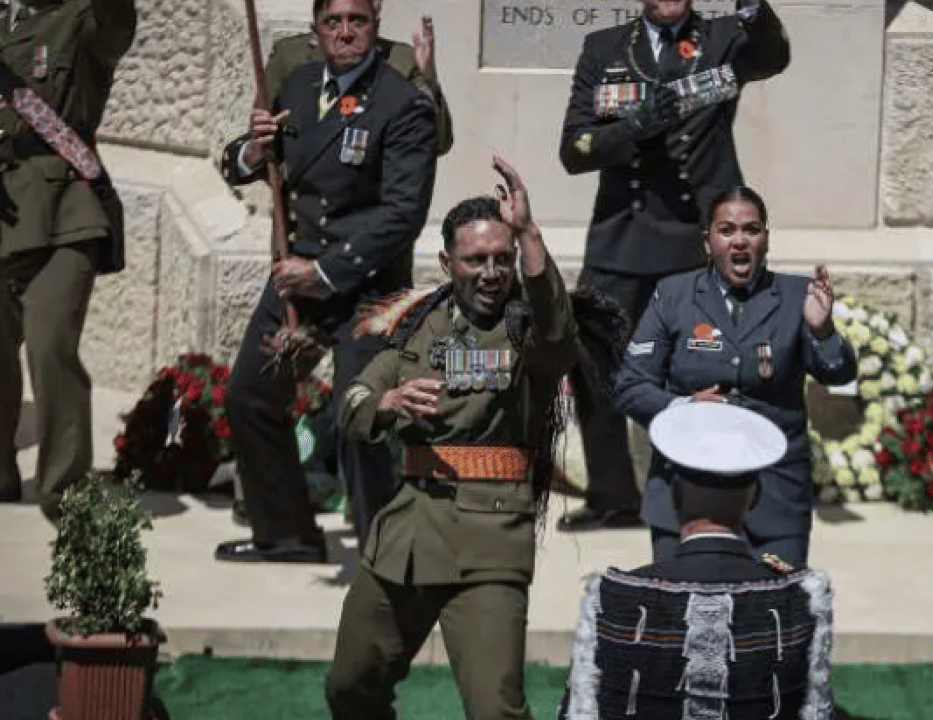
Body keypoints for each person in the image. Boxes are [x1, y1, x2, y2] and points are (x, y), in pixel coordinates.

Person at [323, 159, 579, 720]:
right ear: (447, 263)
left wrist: (529, 232)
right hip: (408, 538)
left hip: (489, 545)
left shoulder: (525, 327)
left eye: (502, 259)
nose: (491, 273)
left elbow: (559, 333)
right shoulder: (417, 327)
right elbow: (353, 400)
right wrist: (386, 405)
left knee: (494, 710)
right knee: (350, 686)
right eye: (475, 260)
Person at [214, 0, 438, 563]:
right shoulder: (297, 85)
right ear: (316, 29)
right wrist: (252, 151)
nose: (345, 32)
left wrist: (325, 272)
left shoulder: (404, 103)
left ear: (375, 27)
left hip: (365, 286)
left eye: (357, 21)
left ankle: (383, 554)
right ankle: (286, 534)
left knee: (358, 413)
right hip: (297, 277)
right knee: (250, 397)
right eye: (333, 21)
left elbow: (404, 213)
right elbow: (243, 162)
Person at [556, 0, 791, 533]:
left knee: (708, 367)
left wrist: (754, 8)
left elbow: (772, 56)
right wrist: (636, 125)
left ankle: (716, 496)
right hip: (622, 236)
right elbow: (574, 149)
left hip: (694, 240)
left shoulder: (722, 38)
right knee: (592, 361)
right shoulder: (605, 49)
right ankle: (612, 497)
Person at [615, 186, 857, 568]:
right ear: (708, 242)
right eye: (727, 230)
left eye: (751, 229)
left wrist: (823, 330)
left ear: (766, 240)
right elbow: (630, 386)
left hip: (774, 499)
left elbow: (839, 373)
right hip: (686, 497)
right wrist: (683, 406)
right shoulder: (673, 295)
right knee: (683, 604)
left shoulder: (797, 296)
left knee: (774, 604)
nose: (740, 241)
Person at [557, 401, 835, 720]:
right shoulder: (802, 596)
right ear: (756, 497)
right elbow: (816, 712)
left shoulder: (610, 596)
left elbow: (579, 712)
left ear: (674, 498)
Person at [0, 0, 136, 519]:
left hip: (63, 211)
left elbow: (115, 18)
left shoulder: (82, 19)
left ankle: (64, 490)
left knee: (51, 344)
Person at [265, 0, 453, 158]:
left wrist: (430, 80)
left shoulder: (402, 61)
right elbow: (263, 140)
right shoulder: (290, 57)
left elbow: (437, 143)